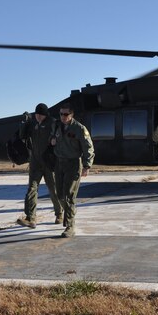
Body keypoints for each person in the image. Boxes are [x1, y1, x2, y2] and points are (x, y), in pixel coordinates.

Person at [51, 102, 94, 238]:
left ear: (71, 114)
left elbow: (88, 148)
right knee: (59, 195)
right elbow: (52, 138)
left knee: (69, 195)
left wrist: (87, 166)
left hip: (73, 164)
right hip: (59, 163)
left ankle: (70, 226)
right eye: (61, 114)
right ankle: (70, 213)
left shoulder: (79, 129)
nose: (63, 117)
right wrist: (51, 140)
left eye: (66, 114)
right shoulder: (56, 126)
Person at [16, 103, 63, 229]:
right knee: (32, 189)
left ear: (45, 114)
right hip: (35, 162)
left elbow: (59, 136)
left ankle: (59, 214)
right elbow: (22, 136)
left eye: (40, 115)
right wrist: (24, 123)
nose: (38, 117)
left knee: (53, 189)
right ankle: (31, 218)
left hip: (49, 162)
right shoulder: (32, 124)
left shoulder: (52, 123)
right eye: (36, 115)